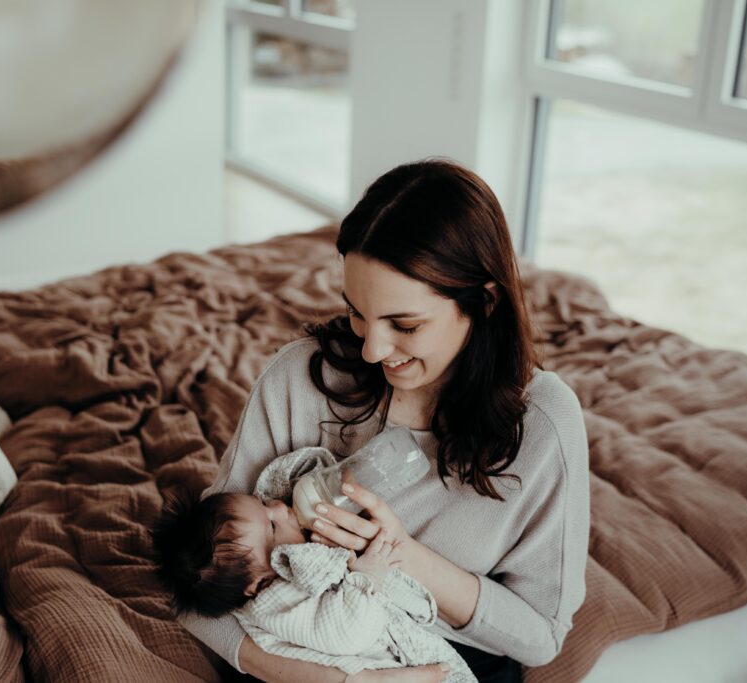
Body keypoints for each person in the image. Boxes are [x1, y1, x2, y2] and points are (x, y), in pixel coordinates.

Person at [178, 158, 590, 683]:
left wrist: (398, 554)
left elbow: (539, 638)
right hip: (301, 648)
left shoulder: (542, 425)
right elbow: (198, 592)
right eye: (357, 313)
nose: (372, 350)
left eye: (405, 324)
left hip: (439, 656)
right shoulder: (301, 379)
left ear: (483, 302)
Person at [152, 447, 477, 682]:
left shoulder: (288, 562)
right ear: (254, 584)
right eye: (273, 527)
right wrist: (367, 578)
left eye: (265, 503)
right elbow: (350, 633)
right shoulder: (275, 605)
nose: (280, 507)